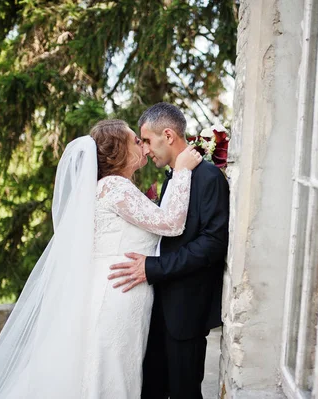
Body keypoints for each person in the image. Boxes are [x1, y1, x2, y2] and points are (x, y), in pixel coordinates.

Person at [0, 119, 203, 398]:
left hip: (120, 288)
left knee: (107, 368)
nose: (142, 145)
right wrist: (183, 171)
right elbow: (172, 224)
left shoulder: (109, 187)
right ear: (119, 151)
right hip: (117, 292)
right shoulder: (114, 186)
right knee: (107, 372)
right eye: (135, 141)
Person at [107, 103, 230, 399]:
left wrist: (152, 268)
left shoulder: (209, 178)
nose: (145, 150)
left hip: (186, 309)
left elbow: (212, 245)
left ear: (168, 135)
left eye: (147, 141)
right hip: (156, 305)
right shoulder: (174, 178)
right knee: (151, 389)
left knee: (184, 392)